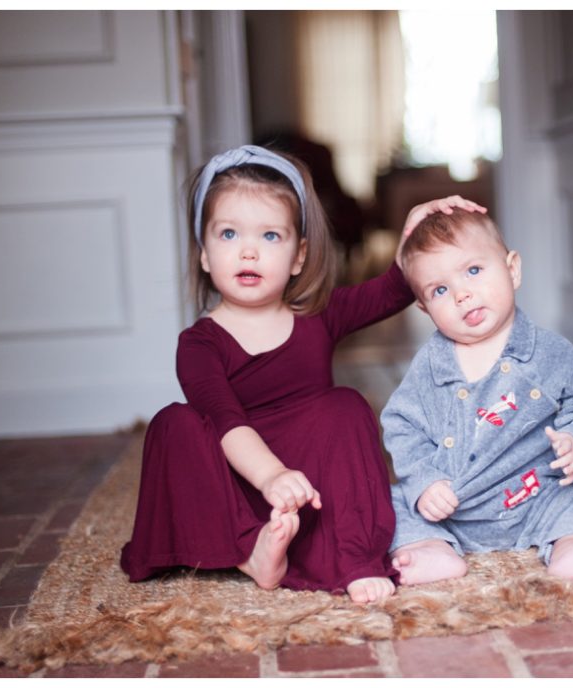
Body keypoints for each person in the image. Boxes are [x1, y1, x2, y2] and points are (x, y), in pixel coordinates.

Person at [119, 144, 482, 603]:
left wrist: (412, 233)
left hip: (306, 493)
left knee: (346, 405)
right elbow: (226, 421)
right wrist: (270, 476)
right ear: (205, 256)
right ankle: (247, 549)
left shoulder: (317, 316)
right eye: (229, 235)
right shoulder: (199, 344)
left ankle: (354, 556)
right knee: (175, 424)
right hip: (236, 487)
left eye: (270, 236)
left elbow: (392, 290)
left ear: (298, 256)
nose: (248, 251)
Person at [382, 208, 573, 586]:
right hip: (452, 508)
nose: (462, 294)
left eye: (473, 271)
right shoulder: (430, 367)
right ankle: (431, 547)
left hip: (539, 499)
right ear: (424, 308)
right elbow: (401, 424)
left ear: (512, 269)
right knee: (390, 502)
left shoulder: (550, 353)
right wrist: (425, 482)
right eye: (440, 290)